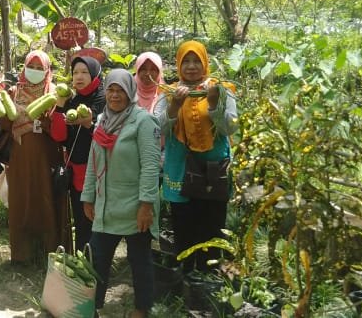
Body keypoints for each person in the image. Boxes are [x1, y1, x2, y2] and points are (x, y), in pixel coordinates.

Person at [81, 69, 162, 318]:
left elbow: (151, 165)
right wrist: (88, 196)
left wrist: (146, 205)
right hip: (107, 205)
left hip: (135, 206)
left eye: (120, 90)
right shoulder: (103, 121)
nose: (115, 95)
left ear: (130, 91)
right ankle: (90, 307)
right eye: (111, 90)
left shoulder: (143, 121)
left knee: (140, 261)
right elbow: (93, 162)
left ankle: (141, 309)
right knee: (96, 260)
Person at [153, 40, 238, 274]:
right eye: (186, 61)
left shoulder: (221, 89)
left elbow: (230, 127)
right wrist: (174, 107)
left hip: (214, 170)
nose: (191, 66)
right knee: (184, 223)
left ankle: (209, 276)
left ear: (205, 63)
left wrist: (213, 105)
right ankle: (187, 276)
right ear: (179, 65)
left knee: (212, 224)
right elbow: (157, 128)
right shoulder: (168, 93)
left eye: (196, 61)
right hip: (180, 168)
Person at [0, 50, 71, 265]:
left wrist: (47, 119)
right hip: (19, 157)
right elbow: (4, 125)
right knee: (21, 201)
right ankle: (22, 255)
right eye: (32, 66)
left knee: (46, 199)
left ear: (48, 71)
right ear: (24, 68)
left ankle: (51, 252)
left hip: (47, 157)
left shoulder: (55, 93)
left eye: (41, 68)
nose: (36, 72)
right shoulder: (13, 91)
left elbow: (61, 129)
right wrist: (1, 103)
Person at [50, 56, 105, 252]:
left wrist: (89, 123)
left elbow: (107, 137)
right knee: (81, 220)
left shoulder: (104, 98)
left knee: (98, 220)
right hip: (77, 171)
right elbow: (59, 136)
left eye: (84, 72)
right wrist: (59, 106)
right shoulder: (72, 100)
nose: (79, 77)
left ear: (94, 74)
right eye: (75, 73)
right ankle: (83, 260)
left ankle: (98, 262)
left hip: (100, 172)